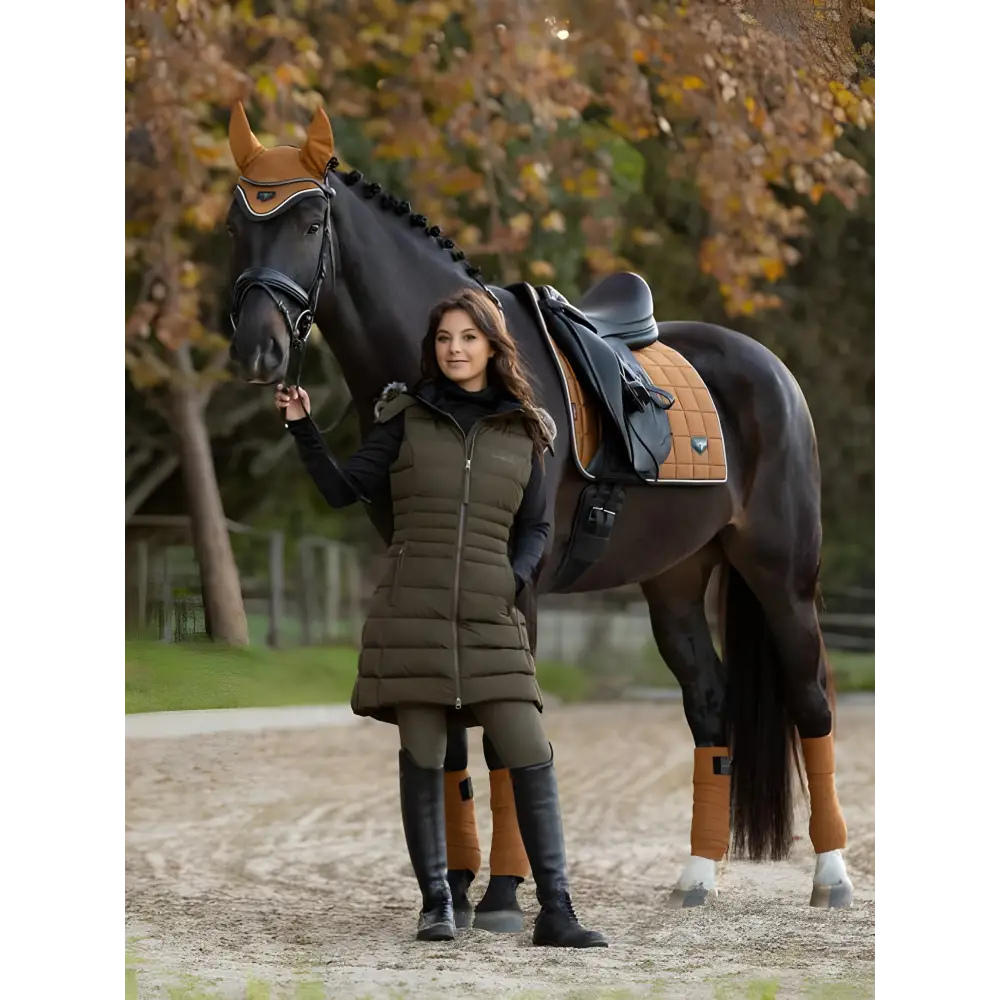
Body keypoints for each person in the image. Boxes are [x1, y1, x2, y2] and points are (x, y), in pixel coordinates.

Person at [276, 287, 607, 949]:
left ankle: (558, 912)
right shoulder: (405, 415)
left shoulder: (526, 427)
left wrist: (514, 578)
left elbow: (537, 527)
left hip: (491, 613)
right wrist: (303, 427)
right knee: (423, 753)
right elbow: (344, 490)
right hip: (413, 615)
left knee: (529, 749)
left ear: (491, 345)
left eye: (468, 338)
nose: (455, 350)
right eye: (444, 339)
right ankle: (437, 905)